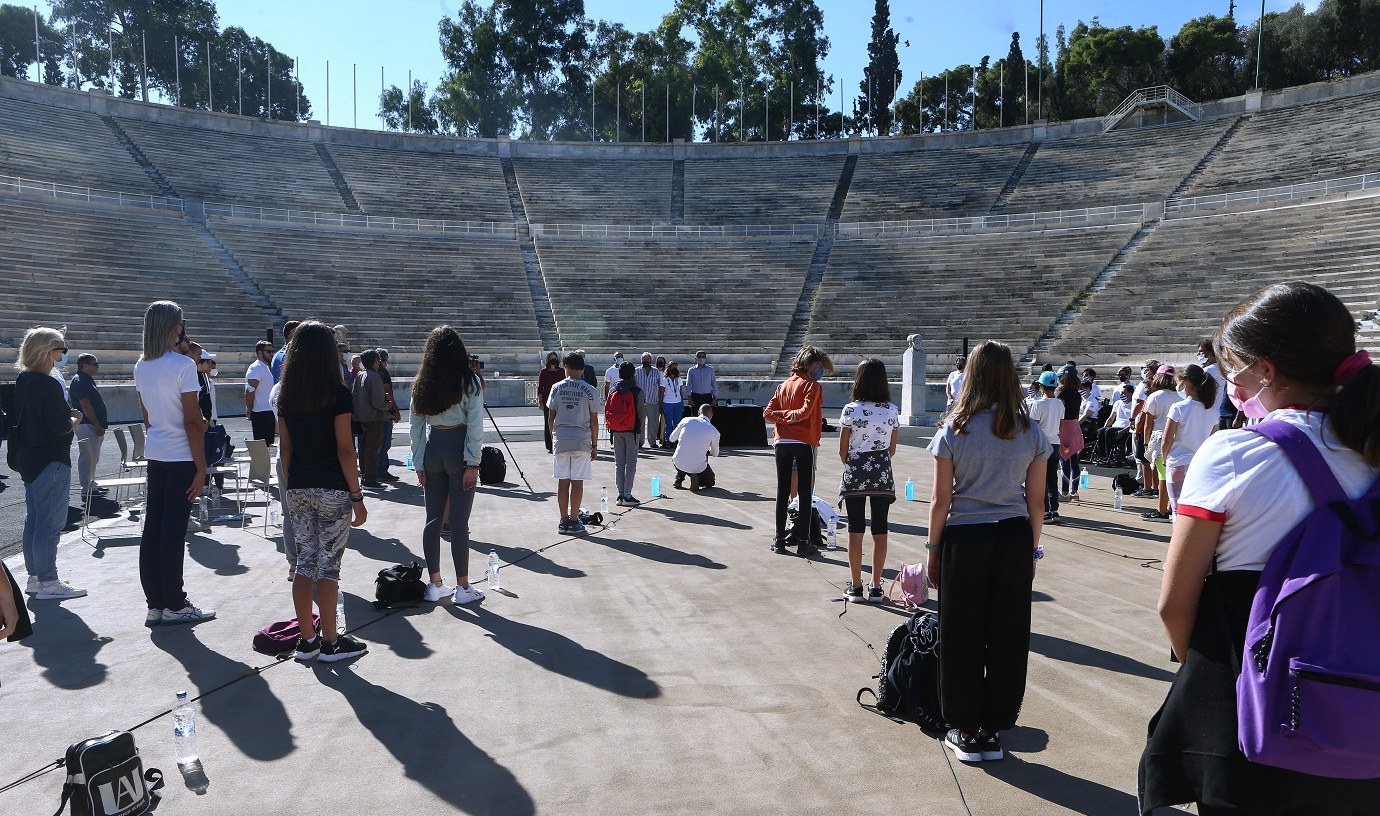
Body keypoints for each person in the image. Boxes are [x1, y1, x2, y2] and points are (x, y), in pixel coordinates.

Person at [1140, 281, 1380, 815]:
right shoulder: (1372, 447)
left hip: (1252, 723)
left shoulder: (1236, 453)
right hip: (1367, 723)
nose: (1232, 385)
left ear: (1266, 370)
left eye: (1236, 372)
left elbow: (1173, 603)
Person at [926, 340, 1048, 764]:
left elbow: (941, 501)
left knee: (961, 634)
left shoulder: (954, 430)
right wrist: (1032, 552)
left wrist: (933, 550)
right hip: (1013, 536)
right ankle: (994, 729)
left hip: (966, 536)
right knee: (1008, 635)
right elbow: (1036, 502)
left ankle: (963, 727)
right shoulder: (1029, 431)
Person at [276, 321, 369, 662]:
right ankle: (331, 641)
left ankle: (307, 639)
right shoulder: (338, 393)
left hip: (298, 485)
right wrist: (357, 496)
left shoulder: (286, 395)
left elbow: (285, 450)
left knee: (305, 563)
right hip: (331, 487)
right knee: (329, 566)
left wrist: (291, 488)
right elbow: (346, 449)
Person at [134, 302, 213, 625]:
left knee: (153, 528)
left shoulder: (141, 365)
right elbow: (193, 422)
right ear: (173, 327)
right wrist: (202, 466)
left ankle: (156, 603)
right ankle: (176, 603)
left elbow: (148, 417)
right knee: (172, 532)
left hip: (157, 453)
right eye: (181, 323)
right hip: (181, 456)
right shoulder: (181, 365)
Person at [409, 326, 487, 606]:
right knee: (459, 523)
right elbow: (476, 425)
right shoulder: (470, 381)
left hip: (433, 448)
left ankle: (435, 582)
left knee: (432, 518)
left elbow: (415, 426)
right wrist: (473, 463)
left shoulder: (422, 382)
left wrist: (418, 462)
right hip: (458, 447)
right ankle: (463, 586)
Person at [13, 327, 85, 600]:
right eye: (61, 349)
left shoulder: (25, 379)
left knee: (34, 520)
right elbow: (59, 426)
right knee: (50, 523)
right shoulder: (46, 383)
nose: (63, 355)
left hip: (30, 457)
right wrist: (75, 418)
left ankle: (36, 577)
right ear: (47, 351)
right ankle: (48, 581)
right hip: (50, 458)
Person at [837, 359, 900, 603]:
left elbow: (842, 450)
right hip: (882, 472)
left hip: (856, 471)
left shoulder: (850, 410)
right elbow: (891, 449)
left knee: (855, 529)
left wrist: (855, 465)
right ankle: (876, 586)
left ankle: (855, 586)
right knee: (880, 528)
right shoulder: (892, 411)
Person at [765, 345, 832, 558]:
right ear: (808, 365)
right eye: (817, 365)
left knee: (782, 491)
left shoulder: (782, 385)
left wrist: (782, 417)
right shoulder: (812, 386)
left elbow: (768, 413)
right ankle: (804, 541)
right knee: (805, 493)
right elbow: (804, 413)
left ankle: (778, 539)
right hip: (804, 440)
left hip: (781, 440)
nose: (819, 370)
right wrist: (790, 417)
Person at [547, 351, 598, 534]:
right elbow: (594, 421)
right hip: (581, 440)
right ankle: (574, 520)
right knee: (577, 482)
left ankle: (563, 520)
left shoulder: (556, 388)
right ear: (583, 369)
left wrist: (555, 434)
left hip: (561, 439)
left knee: (563, 481)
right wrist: (595, 445)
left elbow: (551, 416)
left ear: (565, 367)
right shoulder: (591, 390)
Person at [1158, 365, 1218, 515]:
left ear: (1186, 382)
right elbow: (1211, 441)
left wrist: (1164, 459)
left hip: (1178, 461)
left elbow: (1166, 439)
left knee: (1176, 511)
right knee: (1192, 511)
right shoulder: (1212, 411)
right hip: (1199, 465)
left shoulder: (1178, 407)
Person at [1140, 365, 1179, 521]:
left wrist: (1145, 442)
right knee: (1171, 474)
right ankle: (1169, 507)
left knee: (1162, 475)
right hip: (1175, 437)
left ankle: (1161, 510)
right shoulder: (1179, 396)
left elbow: (1148, 424)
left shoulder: (1155, 397)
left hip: (1158, 437)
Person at [69, 353, 108, 498]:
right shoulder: (81, 381)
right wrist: (97, 424)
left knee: (93, 457)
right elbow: (86, 405)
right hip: (87, 424)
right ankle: (86, 488)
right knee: (88, 457)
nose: (97, 366)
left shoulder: (86, 379)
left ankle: (90, 483)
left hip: (89, 424)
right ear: (85, 365)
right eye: (94, 363)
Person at [1027, 371, 1063, 523]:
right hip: (1055, 442)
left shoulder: (1038, 404)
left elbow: (1033, 427)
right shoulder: (1060, 403)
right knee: (1052, 477)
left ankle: (1046, 510)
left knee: (1040, 479)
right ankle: (1054, 509)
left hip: (1041, 444)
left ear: (1041, 386)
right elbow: (1060, 425)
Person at [351, 349, 391, 488]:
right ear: (374, 361)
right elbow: (378, 402)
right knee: (372, 449)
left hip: (361, 417)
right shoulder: (374, 377)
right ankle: (370, 478)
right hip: (374, 418)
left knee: (364, 448)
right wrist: (388, 406)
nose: (379, 362)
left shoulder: (360, 375)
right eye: (378, 360)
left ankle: (365, 476)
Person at [609, 362, 642, 506]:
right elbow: (641, 414)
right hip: (632, 430)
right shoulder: (636, 391)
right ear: (633, 374)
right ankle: (628, 495)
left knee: (619, 463)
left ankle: (620, 494)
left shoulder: (613, 389)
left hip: (616, 430)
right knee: (631, 462)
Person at [1131, 358, 1162, 498]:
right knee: (1155, 461)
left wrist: (1137, 429)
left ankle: (1147, 487)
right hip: (1158, 431)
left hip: (1148, 432)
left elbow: (1144, 417)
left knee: (1145, 460)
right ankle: (1155, 487)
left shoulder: (1151, 398)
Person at [671, 403, 720, 490]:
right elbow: (715, 454)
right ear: (712, 415)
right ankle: (696, 475)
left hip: (678, 462)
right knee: (710, 481)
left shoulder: (686, 420)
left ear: (698, 413)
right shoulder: (714, 431)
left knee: (684, 449)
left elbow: (672, 438)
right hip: (699, 467)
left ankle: (679, 479)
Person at [1056, 371, 1085, 501]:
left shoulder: (1063, 394)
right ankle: (1074, 490)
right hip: (1075, 427)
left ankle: (1065, 491)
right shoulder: (1078, 395)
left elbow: (1059, 412)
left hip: (1065, 428)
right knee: (1074, 462)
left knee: (1064, 461)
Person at [374, 348, 402, 481]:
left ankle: (374, 471)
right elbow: (388, 392)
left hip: (373, 413)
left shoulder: (368, 372)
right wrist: (395, 410)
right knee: (384, 443)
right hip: (384, 412)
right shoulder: (383, 372)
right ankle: (381, 471)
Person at [245, 340, 277, 445]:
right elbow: (250, 390)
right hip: (260, 413)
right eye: (268, 351)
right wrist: (249, 410)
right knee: (261, 446)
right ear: (259, 353)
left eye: (272, 351)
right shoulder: (256, 367)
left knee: (268, 445)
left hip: (268, 412)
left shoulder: (265, 367)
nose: (271, 354)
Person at [1097, 383, 1136, 464]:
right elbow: (1111, 418)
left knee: (1109, 432)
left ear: (1131, 394)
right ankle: (1102, 455)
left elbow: (1134, 421)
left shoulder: (1134, 405)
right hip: (1116, 426)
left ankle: (1109, 457)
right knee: (1101, 431)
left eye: (1123, 393)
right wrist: (1104, 428)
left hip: (1125, 428)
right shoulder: (1118, 403)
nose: (1121, 395)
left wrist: (1123, 431)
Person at [634, 353, 666, 449]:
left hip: (653, 401)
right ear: (641, 360)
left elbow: (661, 387)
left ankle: (652, 442)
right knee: (640, 423)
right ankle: (640, 442)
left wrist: (660, 401)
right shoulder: (636, 371)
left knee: (653, 423)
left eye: (647, 359)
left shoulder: (657, 372)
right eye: (644, 359)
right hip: (640, 402)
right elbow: (634, 386)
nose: (646, 361)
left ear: (651, 360)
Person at [537, 351, 564, 454]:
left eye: (555, 358)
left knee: (560, 422)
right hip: (547, 401)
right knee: (548, 422)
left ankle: (559, 443)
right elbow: (540, 388)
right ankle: (550, 444)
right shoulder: (544, 372)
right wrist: (540, 402)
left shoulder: (561, 371)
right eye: (551, 358)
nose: (553, 360)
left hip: (560, 401)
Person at [661, 360, 685, 445]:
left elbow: (681, 392)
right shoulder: (664, 379)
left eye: (676, 367)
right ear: (669, 368)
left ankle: (676, 441)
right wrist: (660, 404)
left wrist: (682, 403)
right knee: (668, 423)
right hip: (667, 403)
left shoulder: (678, 379)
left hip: (677, 402)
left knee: (677, 423)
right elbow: (661, 392)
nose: (675, 369)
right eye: (673, 367)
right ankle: (668, 441)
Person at [686, 351, 717, 415]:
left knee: (707, 417)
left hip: (707, 397)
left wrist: (715, 398)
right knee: (695, 416)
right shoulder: (691, 370)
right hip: (695, 397)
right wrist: (689, 399)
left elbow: (714, 383)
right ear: (696, 358)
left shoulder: (710, 370)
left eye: (703, 357)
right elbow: (688, 384)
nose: (701, 358)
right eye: (699, 356)